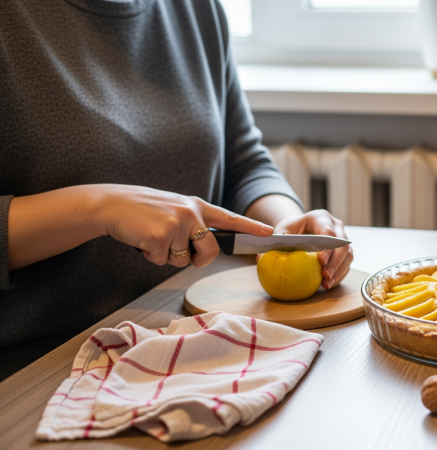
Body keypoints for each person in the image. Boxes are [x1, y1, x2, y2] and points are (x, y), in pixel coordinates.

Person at [0, 0, 352, 380]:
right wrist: (99, 208)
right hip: (43, 368)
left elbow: (243, 162)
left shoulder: (196, 8)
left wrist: (284, 221)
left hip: (186, 337)